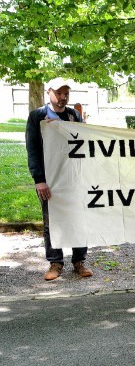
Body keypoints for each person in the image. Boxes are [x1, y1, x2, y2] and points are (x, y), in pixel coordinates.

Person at [25, 78, 93, 281]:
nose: (63, 98)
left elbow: (82, 145)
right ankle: (55, 262)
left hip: (73, 178)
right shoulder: (37, 116)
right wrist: (39, 179)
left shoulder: (74, 115)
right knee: (51, 221)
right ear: (49, 92)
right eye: (59, 93)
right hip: (50, 179)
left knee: (79, 218)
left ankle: (79, 261)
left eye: (66, 94)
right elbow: (33, 150)